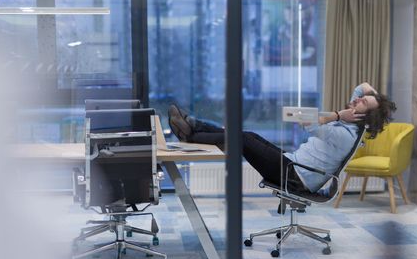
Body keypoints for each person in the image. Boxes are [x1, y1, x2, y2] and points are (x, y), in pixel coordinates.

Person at [168, 83, 397, 194]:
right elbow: (362, 87)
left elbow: (310, 122)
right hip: (292, 163)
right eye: (361, 100)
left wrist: (337, 114)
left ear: (363, 115)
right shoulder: (351, 121)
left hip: (296, 177)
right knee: (249, 135)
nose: (357, 100)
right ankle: (193, 128)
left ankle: (192, 132)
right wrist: (374, 98)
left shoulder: (345, 134)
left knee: (245, 140)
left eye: (362, 103)